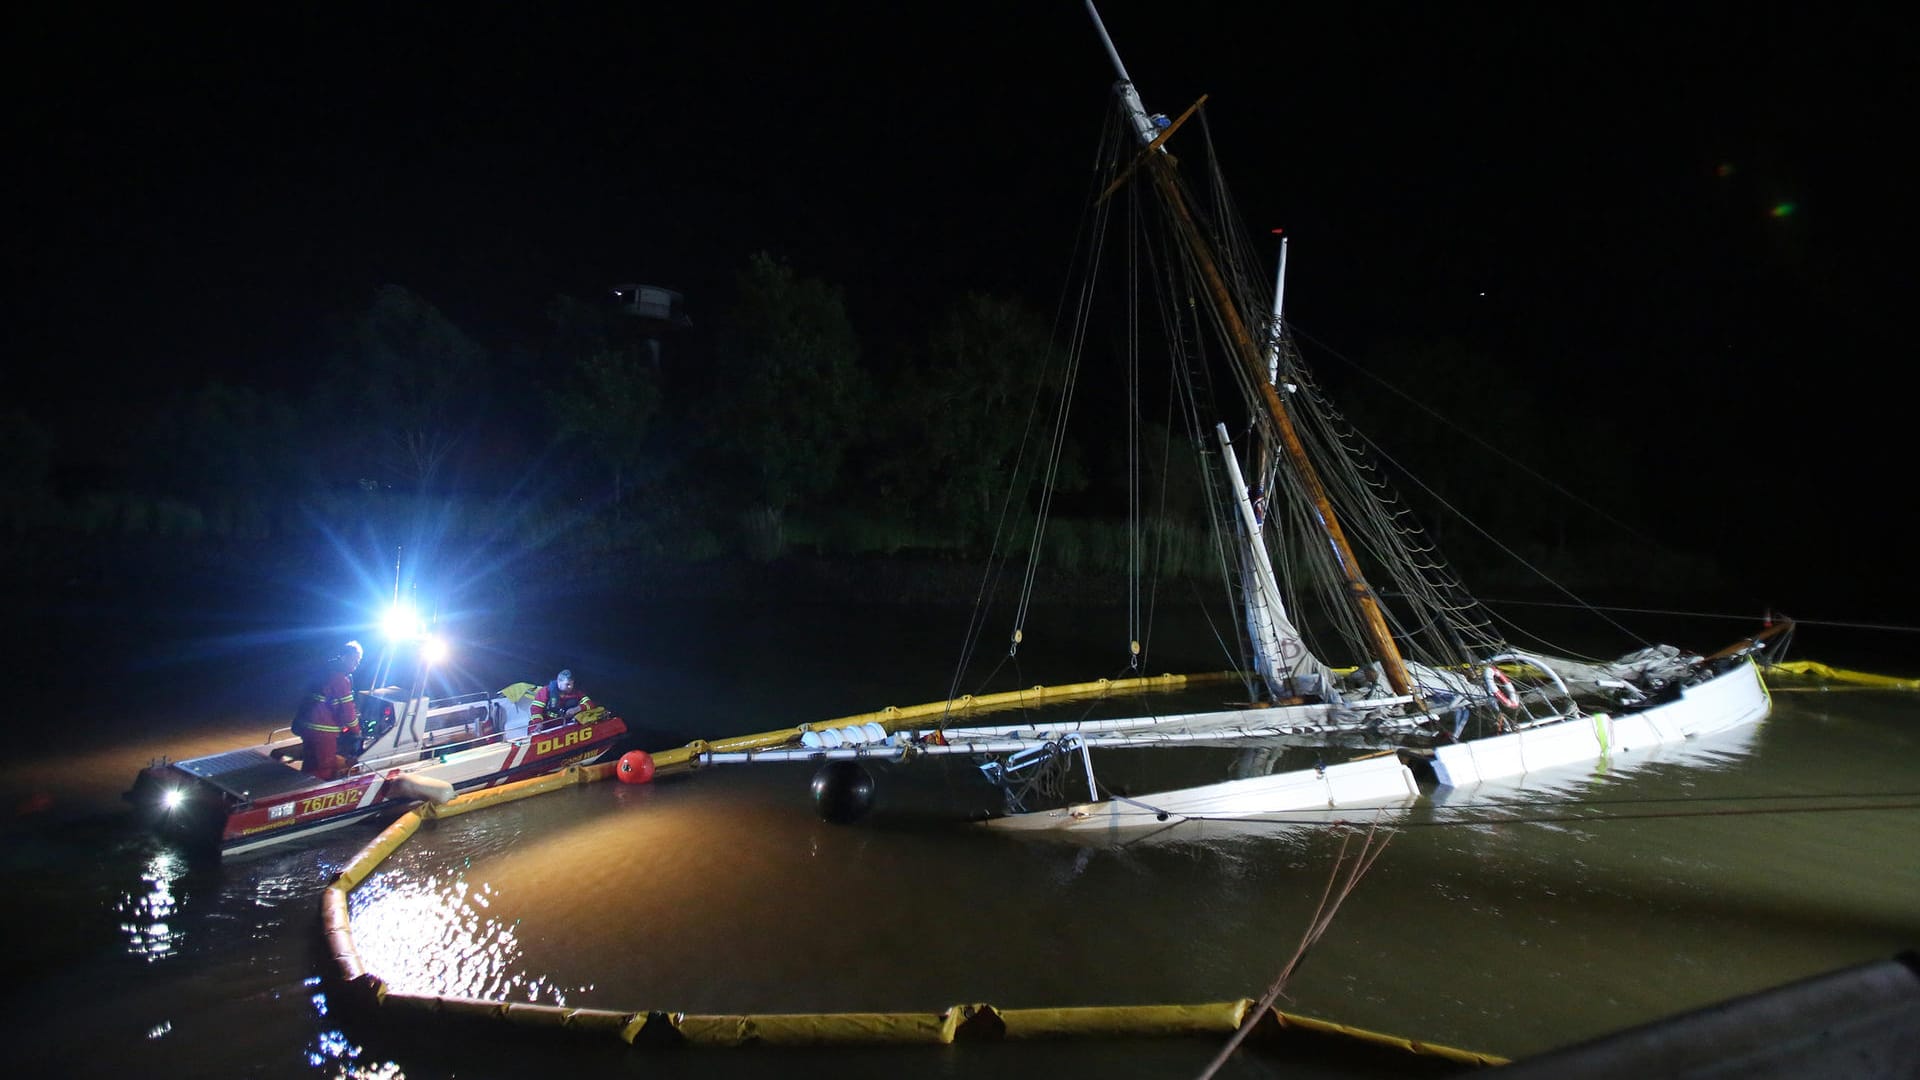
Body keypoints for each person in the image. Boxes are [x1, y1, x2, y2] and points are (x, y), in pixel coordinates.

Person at [293, 640, 363, 780]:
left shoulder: (325, 671)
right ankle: (312, 794)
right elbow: (349, 713)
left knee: (310, 763)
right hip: (323, 731)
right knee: (324, 767)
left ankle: (301, 785)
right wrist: (357, 731)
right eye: (354, 660)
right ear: (343, 657)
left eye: (358, 661)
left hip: (307, 727)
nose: (356, 664)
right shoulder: (340, 680)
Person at [529, 668, 594, 730]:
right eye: (567, 684)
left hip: (565, 724)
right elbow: (536, 709)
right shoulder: (546, 691)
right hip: (546, 724)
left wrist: (576, 709)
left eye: (572, 684)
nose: (570, 687)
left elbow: (589, 703)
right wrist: (538, 723)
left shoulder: (576, 692)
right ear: (559, 682)